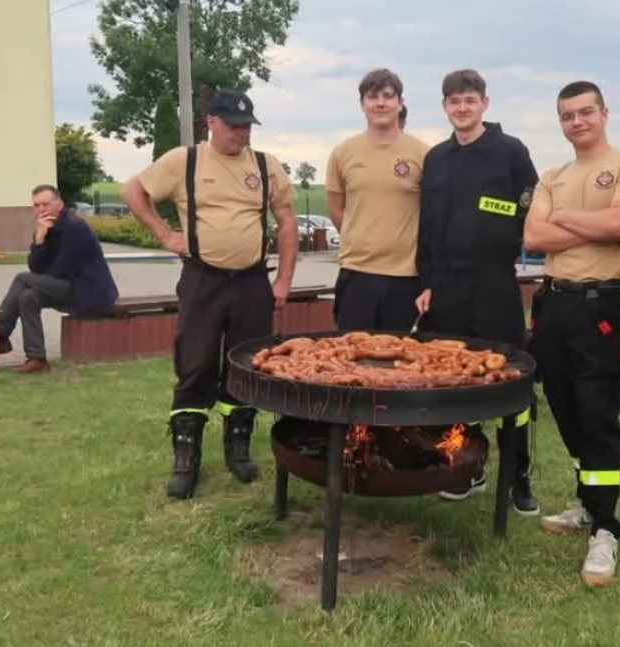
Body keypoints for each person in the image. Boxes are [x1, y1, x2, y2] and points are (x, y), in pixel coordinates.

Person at [119, 89, 300, 500]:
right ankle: (187, 458)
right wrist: (164, 233)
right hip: (204, 280)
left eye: (247, 126)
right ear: (211, 123)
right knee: (196, 364)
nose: (242, 134)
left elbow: (286, 221)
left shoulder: (264, 164)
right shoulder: (185, 161)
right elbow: (133, 192)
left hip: (253, 282)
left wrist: (284, 278)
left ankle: (237, 449)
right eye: (234, 126)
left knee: (246, 366)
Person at [522, 81, 620, 586]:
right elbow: (534, 237)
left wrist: (572, 218)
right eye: (567, 116)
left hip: (602, 304)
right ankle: (585, 499)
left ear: (604, 113)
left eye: (585, 113)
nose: (576, 122)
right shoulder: (552, 175)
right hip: (554, 302)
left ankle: (606, 528)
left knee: (598, 412)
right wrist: (599, 225)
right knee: (565, 406)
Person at [415, 69, 540, 515]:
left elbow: (531, 206)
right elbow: (426, 227)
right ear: (445, 107)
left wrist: (507, 227)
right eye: (454, 101)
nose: (462, 108)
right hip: (445, 284)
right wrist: (424, 281)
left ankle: (519, 474)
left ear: (485, 103)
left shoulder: (509, 152)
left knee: (509, 378)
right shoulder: (436, 159)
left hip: (494, 281)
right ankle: (466, 467)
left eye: (470, 100)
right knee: (453, 377)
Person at [325, 68, 430, 331]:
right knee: (350, 359)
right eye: (373, 97)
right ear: (362, 104)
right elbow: (337, 210)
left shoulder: (424, 154)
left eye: (388, 96)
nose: (381, 103)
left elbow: (433, 216)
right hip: (356, 273)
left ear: (400, 102)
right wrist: (361, 237)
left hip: (405, 277)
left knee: (397, 361)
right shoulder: (343, 153)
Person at [0, 184, 118, 374]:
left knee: (22, 279)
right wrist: (40, 240)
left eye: (46, 204)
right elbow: (36, 267)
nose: (41, 210)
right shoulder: (45, 228)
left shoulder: (75, 228)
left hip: (89, 292)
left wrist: (40, 273)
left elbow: (59, 271)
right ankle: (37, 358)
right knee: (27, 298)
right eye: (36, 205)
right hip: (67, 287)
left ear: (59, 205)